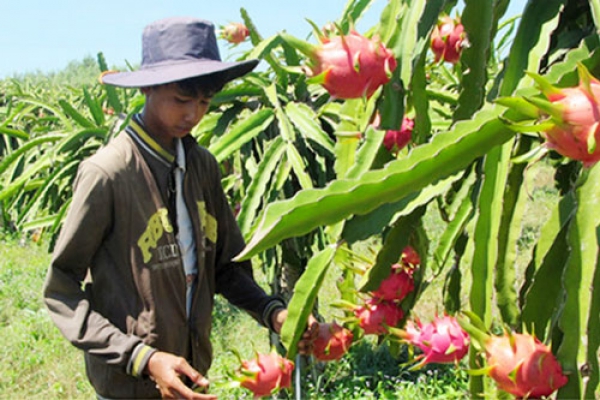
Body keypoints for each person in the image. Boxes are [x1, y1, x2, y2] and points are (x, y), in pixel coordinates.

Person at [43, 16, 315, 399]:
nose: (193, 114)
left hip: (190, 379)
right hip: (129, 387)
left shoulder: (202, 166)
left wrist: (274, 312)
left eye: (204, 101)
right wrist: (142, 358)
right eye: (181, 100)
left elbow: (226, 268)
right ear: (148, 89)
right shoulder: (108, 173)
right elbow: (61, 289)